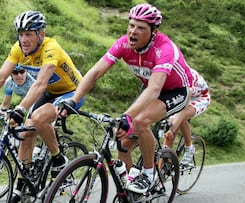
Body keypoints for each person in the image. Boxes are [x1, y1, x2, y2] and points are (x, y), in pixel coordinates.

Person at [60, 3, 193, 194]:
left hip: (175, 91)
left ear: (153, 31)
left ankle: (148, 175)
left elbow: (155, 89)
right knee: (123, 144)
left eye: (141, 28)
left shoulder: (164, 49)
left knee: (139, 121)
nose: (133, 31)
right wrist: (73, 100)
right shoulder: (123, 43)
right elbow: (95, 72)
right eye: (131, 25)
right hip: (149, 88)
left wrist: (128, 116)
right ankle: (131, 190)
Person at [0, 11, 84, 202]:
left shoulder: (51, 47)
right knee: (25, 133)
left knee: (38, 117)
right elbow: (0, 77)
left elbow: (40, 83)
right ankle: (20, 186)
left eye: (29, 34)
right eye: (21, 34)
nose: (24, 39)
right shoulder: (18, 49)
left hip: (72, 92)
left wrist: (20, 108)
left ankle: (59, 160)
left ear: (41, 34)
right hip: (49, 92)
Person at [163, 68, 210, 165]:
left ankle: (189, 147)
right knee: (171, 127)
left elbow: (183, 104)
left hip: (200, 97)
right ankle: (161, 170)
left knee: (180, 116)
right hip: (183, 94)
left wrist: (172, 127)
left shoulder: (187, 75)